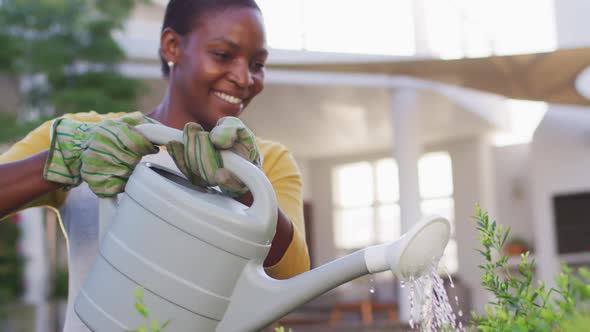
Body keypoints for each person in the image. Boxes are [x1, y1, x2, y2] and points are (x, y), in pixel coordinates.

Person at [0, 0, 310, 331]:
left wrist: (249, 190)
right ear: (172, 46)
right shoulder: (88, 136)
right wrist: (64, 158)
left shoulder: (266, 163)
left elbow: (293, 277)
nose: (244, 77)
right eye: (223, 55)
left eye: (257, 64)